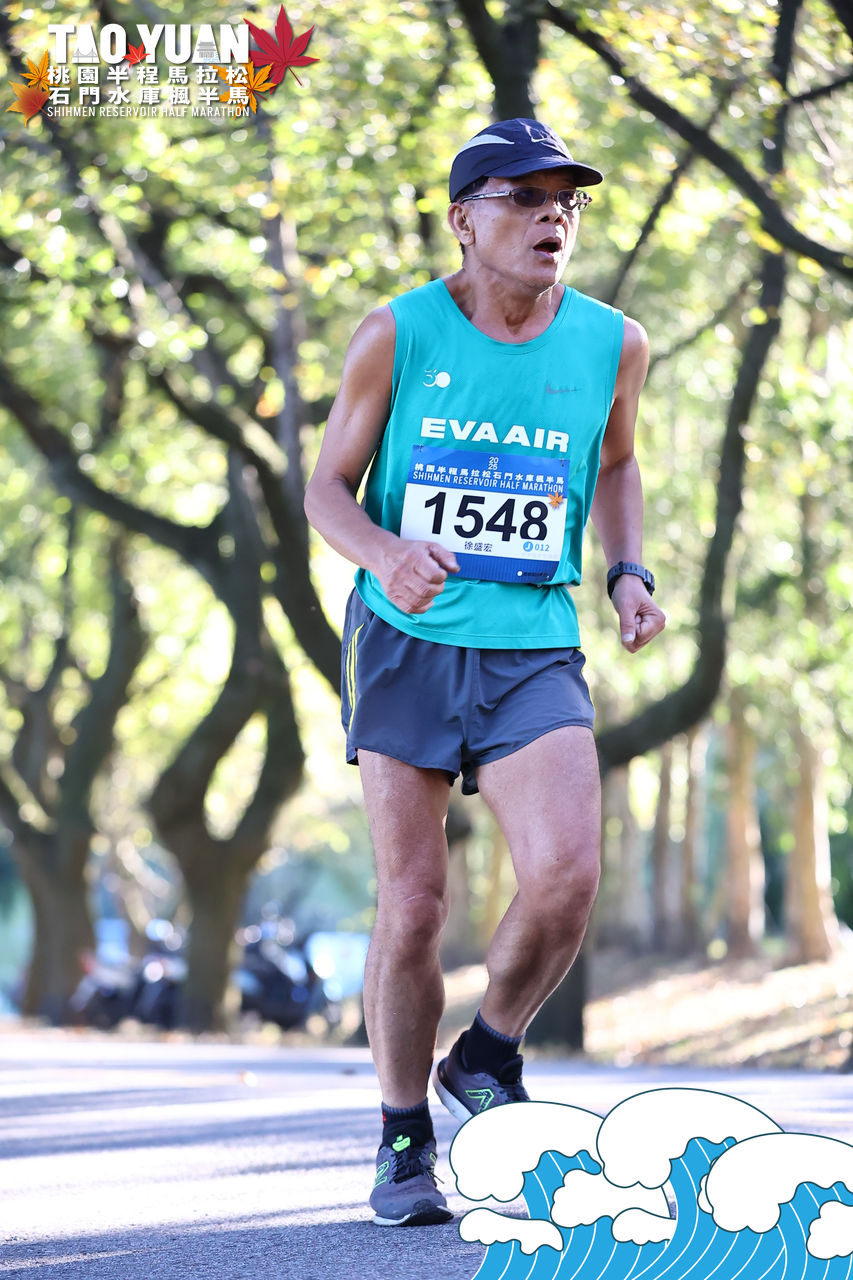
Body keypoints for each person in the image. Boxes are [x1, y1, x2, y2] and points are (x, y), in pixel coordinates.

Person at [304, 117, 666, 1227]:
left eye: (567, 202)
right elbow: (325, 487)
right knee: (414, 904)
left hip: (532, 638)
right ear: (464, 220)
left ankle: (487, 1053)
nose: (552, 217)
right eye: (524, 198)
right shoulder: (397, 332)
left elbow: (617, 461)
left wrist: (627, 571)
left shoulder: (613, 343)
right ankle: (400, 1135)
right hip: (403, 640)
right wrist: (384, 553)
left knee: (565, 876)